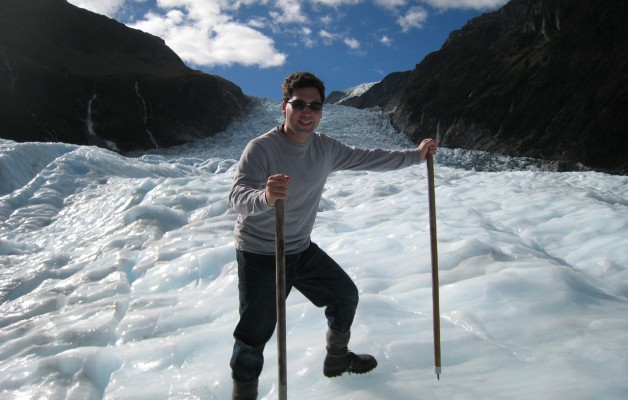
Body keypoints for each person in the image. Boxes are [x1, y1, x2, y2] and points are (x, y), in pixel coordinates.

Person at [228, 72, 437, 399]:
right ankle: (244, 393)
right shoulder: (261, 149)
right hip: (260, 255)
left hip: (299, 248)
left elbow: (369, 158)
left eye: (315, 106)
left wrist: (416, 155)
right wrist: (266, 198)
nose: (307, 112)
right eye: (299, 104)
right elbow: (238, 196)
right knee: (254, 335)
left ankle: (337, 359)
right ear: (285, 106)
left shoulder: (325, 148)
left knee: (344, 295)